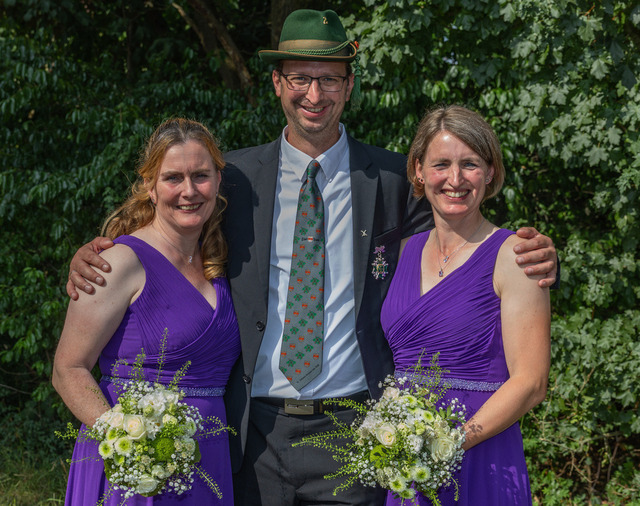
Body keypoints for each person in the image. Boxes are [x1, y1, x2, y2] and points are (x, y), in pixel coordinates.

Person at [65, 10, 557, 506]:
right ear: (278, 83)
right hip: (254, 433)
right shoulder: (233, 178)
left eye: (329, 79)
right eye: (300, 78)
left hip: (356, 430)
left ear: (349, 86)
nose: (314, 94)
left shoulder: (391, 180)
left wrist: (537, 253)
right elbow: (171, 227)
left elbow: (461, 231)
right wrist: (99, 253)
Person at [53, 118, 241, 505]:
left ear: (218, 181)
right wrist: (126, 441)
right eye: (173, 178)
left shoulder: (221, 261)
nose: (189, 191)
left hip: (210, 457)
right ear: (150, 187)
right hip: (135, 465)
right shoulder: (118, 262)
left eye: (201, 176)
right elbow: (68, 368)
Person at [381, 105, 550, 505]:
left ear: (489, 172)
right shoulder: (400, 253)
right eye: (441, 164)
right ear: (419, 171)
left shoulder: (516, 256)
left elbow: (531, 383)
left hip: (483, 454)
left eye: (470, 164)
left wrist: (451, 443)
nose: (455, 180)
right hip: (407, 457)